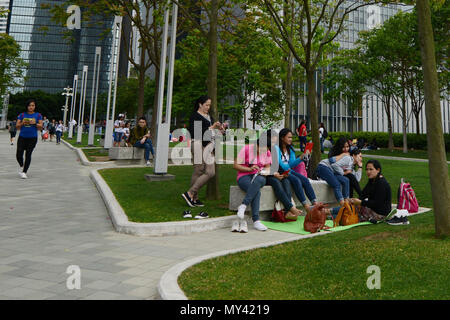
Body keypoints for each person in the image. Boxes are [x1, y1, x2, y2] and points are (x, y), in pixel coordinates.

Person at [181, 95, 223, 214]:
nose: (208, 107)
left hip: (209, 145)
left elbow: (211, 132)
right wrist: (212, 127)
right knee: (198, 170)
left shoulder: (209, 117)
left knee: (210, 172)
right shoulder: (195, 116)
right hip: (198, 143)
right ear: (200, 104)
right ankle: (194, 197)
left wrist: (220, 129)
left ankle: (190, 193)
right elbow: (198, 133)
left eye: (209, 105)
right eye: (206, 105)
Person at [330, 160, 399, 224]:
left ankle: (329, 213)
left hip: (380, 214)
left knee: (351, 212)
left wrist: (360, 202)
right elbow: (363, 194)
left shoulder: (381, 183)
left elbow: (377, 204)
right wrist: (352, 200)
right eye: (367, 169)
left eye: (371, 169)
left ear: (378, 170)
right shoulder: (372, 180)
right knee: (351, 207)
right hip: (372, 209)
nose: (368, 172)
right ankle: (329, 213)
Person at [232, 132, 272, 232]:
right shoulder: (246, 149)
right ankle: (256, 221)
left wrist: (264, 172)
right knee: (256, 191)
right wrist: (250, 169)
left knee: (258, 181)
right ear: (256, 145)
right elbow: (236, 165)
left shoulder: (267, 152)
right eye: (262, 149)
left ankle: (243, 205)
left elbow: (268, 168)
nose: (264, 152)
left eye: (266, 149)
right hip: (244, 176)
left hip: (259, 176)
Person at [274, 128, 318, 214]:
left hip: (289, 171)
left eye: (291, 137)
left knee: (305, 180)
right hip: (280, 171)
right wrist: (299, 159)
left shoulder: (291, 149)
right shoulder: (276, 148)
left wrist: (301, 158)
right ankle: (306, 206)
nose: (291, 139)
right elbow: (282, 165)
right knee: (297, 180)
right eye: (289, 137)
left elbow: (292, 164)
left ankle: (315, 203)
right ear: (282, 138)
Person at [316, 138, 351, 207]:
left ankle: (347, 202)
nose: (346, 149)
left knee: (346, 180)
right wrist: (342, 155)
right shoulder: (338, 154)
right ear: (339, 147)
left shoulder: (348, 157)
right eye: (343, 147)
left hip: (333, 171)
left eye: (347, 147)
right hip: (323, 167)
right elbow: (332, 162)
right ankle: (343, 206)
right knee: (336, 184)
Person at [15, 99, 43, 179]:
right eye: (29, 105)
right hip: (22, 137)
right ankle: (22, 165)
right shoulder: (22, 115)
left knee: (28, 154)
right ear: (27, 106)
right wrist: (22, 123)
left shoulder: (38, 115)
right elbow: (17, 126)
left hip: (32, 138)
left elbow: (41, 126)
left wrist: (35, 123)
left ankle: (24, 172)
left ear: (35, 106)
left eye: (33, 105)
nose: (31, 107)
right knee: (19, 154)